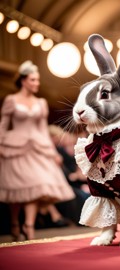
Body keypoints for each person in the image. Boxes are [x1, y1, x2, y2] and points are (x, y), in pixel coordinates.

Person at [0, 60, 75, 240]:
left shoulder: (41, 103)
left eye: (37, 80)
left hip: (37, 146)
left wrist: (53, 153)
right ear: (23, 80)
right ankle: (14, 223)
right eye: (33, 80)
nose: (36, 83)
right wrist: (2, 144)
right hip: (16, 147)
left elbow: (42, 129)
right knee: (18, 191)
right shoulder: (11, 100)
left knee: (36, 186)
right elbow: (3, 125)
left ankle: (29, 225)